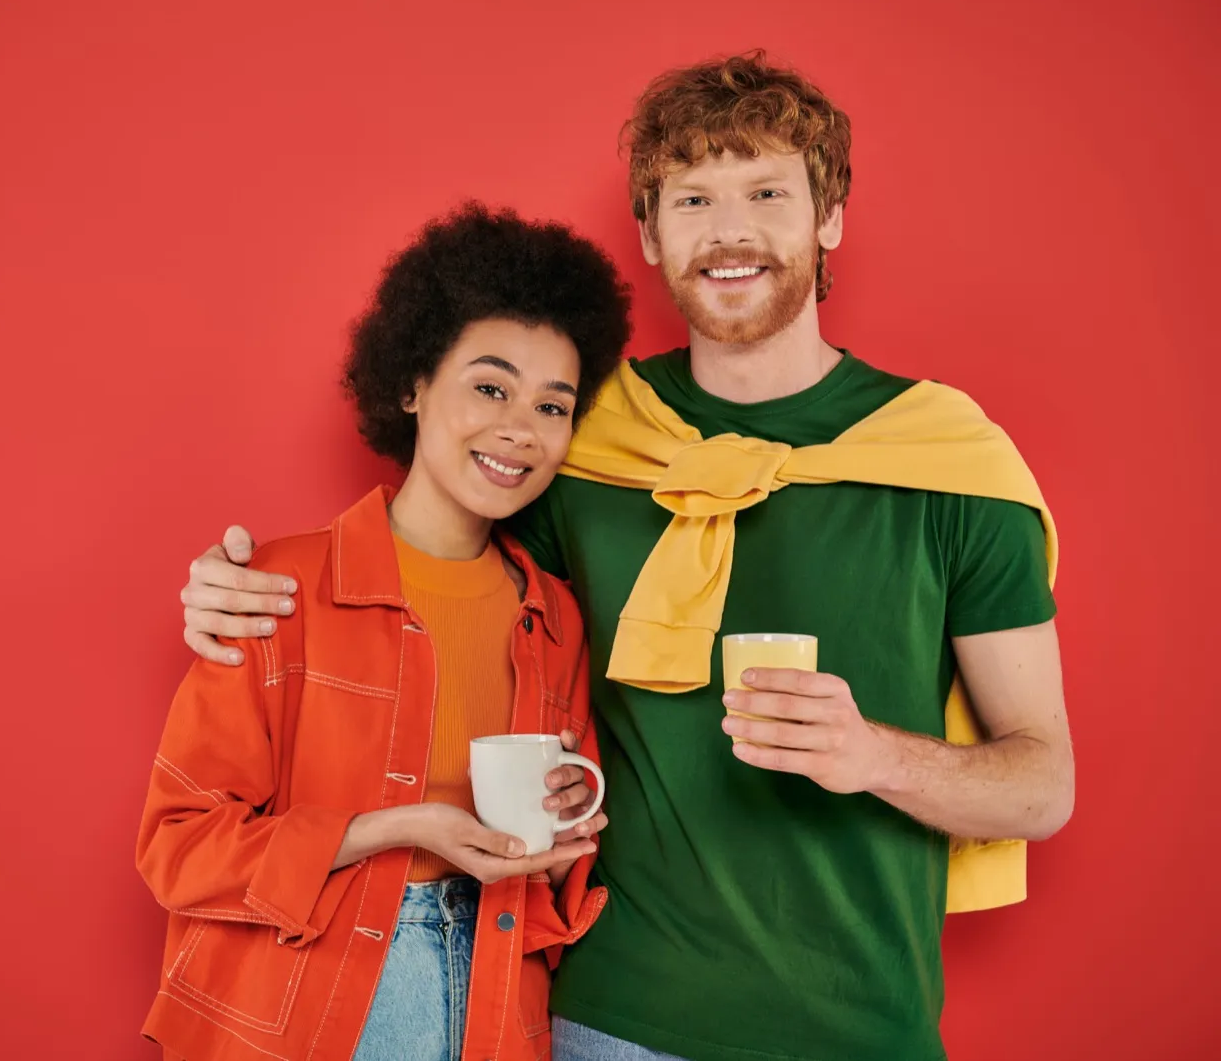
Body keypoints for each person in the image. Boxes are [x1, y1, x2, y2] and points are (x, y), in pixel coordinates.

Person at [174, 51, 1075, 1061]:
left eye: (767, 191)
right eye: (692, 198)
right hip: (606, 1025)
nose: (729, 231)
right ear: (650, 232)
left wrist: (872, 755)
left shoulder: (948, 462)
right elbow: (424, 582)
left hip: (859, 1029)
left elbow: (1040, 785)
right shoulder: (583, 442)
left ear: (828, 218)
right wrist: (241, 590)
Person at [136, 203, 632, 1061]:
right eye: (489, 386)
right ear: (412, 385)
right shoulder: (279, 590)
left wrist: (554, 849)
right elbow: (177, 847)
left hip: (495, 990)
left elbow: (560, 875)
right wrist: (393, 827)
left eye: (553, 406)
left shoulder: (553, 617)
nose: (520, 428)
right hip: (312, 994)